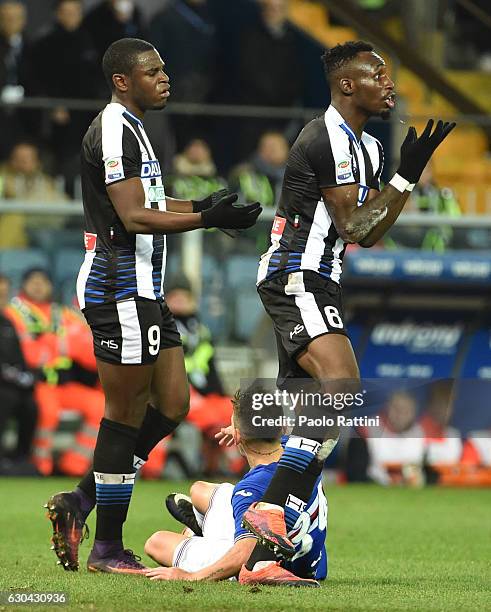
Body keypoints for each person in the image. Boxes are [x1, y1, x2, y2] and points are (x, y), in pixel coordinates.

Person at [241, 40, 455, 586]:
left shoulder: (369, 147)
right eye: (377, 73)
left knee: (312, 424)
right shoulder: (325, 137)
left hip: (322, 280)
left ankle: (257, 549)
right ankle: (264, 510)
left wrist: (399, 176)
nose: (389, 83)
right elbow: (355, 227)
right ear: (346, 85)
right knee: (342, 390)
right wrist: (407, 178)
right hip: (296, 276)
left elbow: (371, 234)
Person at [45, 37, 261, 575]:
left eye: (164, 69)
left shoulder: (136, 125)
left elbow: (153, 204)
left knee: (171, 405)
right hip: (119, 286)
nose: (164, 78)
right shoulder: (115, 127)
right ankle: (107, 549)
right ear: (123, 80)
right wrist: (206, 221)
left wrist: (204, 205)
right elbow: (136, 216)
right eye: (153, 71)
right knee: (123, 418)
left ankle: (80, 501)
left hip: (144, 289)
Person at [144, 388, 327, 586]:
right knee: (199, 490)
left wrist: (191, 576)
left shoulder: (248, 489)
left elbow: (245, 554)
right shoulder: (300, 450)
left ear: (238, 436)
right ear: (282, 427)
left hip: (269, 564)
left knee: (157, 542)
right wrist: (241, 430)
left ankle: (201, 530)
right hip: (310, 562)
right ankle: (202, 525)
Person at [4, 268, 104, 477]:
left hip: (65, 384)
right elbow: (28, 353)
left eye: (43, 281)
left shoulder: (64, 313)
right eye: (33, 281)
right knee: (47, 412)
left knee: (100, 405)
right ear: (23, 285)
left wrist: (54, 344)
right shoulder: (12, 312)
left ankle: (72, 467)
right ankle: (40, 466)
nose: (38, 285)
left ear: (51, 285)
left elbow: (89, 350)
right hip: (37, 383)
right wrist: (64, 345)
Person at [30, 0, 99, 196]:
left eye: (75, 11)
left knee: (90, 160)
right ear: (57, 14)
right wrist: (54, 105)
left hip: (88, 114)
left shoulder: (90, 39)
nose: (71, 16)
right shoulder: (45, 43)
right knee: (64, 162)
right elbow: (38, 79)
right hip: (61, 117)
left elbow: (95, 78)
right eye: (66, 12)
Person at [0, 273, 37, 473]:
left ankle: (21, 457)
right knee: (5, 399)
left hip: (10, 383)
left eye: (5, 293)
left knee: (30, 404)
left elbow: (18, 355)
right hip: (4, 385)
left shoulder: (7, 322)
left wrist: (24, 374)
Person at [229, 131, 289, 208]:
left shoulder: (296, 176)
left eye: (276, 146)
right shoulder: (245, 175)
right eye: (268, 147)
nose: (271, 151)